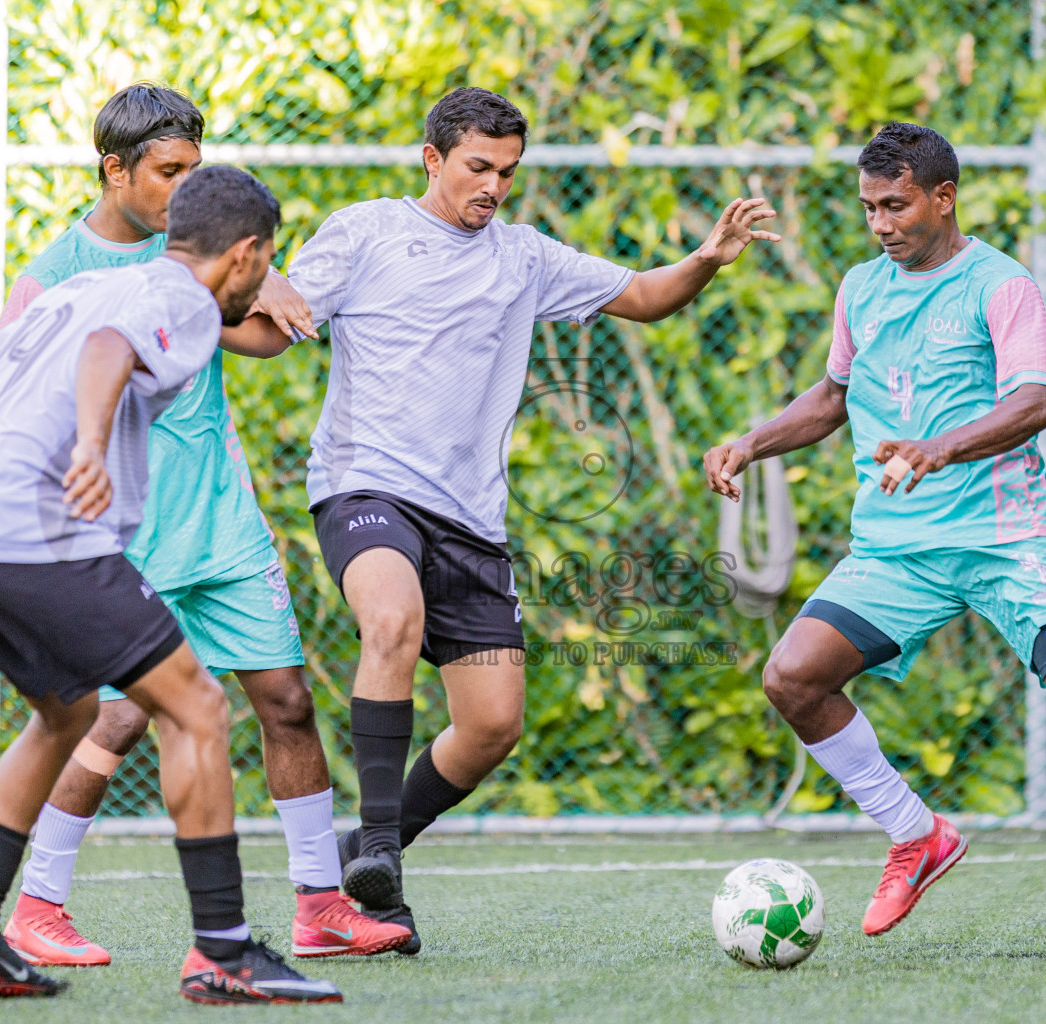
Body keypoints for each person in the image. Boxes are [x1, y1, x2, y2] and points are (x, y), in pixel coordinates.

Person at [702, 121, 1046, 964]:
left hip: (1008, 542)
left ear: (943, 197)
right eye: (868, 208)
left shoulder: (1002, 285)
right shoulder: (862, 288)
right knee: (792, 678)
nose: (881, 224)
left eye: (896, 206)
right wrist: (751, 441)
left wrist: (938, 447)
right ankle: (914, 834)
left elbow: (1038, 402)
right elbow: (831, 398)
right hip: (896, 550)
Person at [270, 87, 779, 951]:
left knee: (492, 725)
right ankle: (380, 856)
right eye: (477, 168)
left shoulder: (526, 257)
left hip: (470, 522)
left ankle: (362, 852)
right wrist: (257, 278)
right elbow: (280, 310)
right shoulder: (365, 232)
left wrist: (708, 257)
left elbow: (647, 296)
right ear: (432, 160)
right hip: (366, 489)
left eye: (507, 172)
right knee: (391, 618)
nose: (493, 187)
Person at [0, 166, 343, 1003]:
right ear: (248, 256)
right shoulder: (184, 302)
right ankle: (222, 952)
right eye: (263, 269)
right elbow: (110, 354)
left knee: (67, 713)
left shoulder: (72, 290)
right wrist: (88, 443)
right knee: (196, 706)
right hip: (35, 529)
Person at [0, 84, 408, 965]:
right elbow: (9, 396)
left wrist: (275, 278)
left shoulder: (196, 257)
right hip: (125, 539)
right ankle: (37, 907)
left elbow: (254, 331)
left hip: (223, 526)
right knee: (116, 724)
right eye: (169, 172)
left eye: (194, 173)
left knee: (288, 703)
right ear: (117, 170)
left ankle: (320, 907)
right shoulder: (55, 273)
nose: (185, 191)